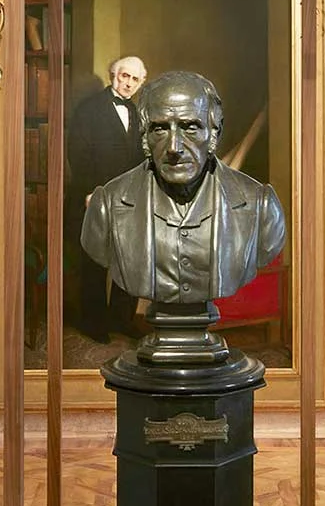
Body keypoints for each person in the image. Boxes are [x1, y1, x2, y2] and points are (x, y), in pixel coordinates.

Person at [80, 70, 285, 306]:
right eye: (160, 129)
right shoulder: (107, 205)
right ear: (145, 137)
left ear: (214, 133)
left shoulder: (260, 205)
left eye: (190, 128)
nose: (174, 147)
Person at [65, 55, 147, 339]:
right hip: (96, 195)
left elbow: (140, 158)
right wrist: (91, 191)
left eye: (135, 79)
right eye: (124, 76)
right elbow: (77, 152)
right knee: (95, 259)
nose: (128, 83)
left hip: (128, 198)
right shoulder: (90, 109)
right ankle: (94, 322)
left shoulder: (137, 113)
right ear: (113, 74)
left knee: (127, 258)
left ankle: (121, 319)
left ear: (140, 83)